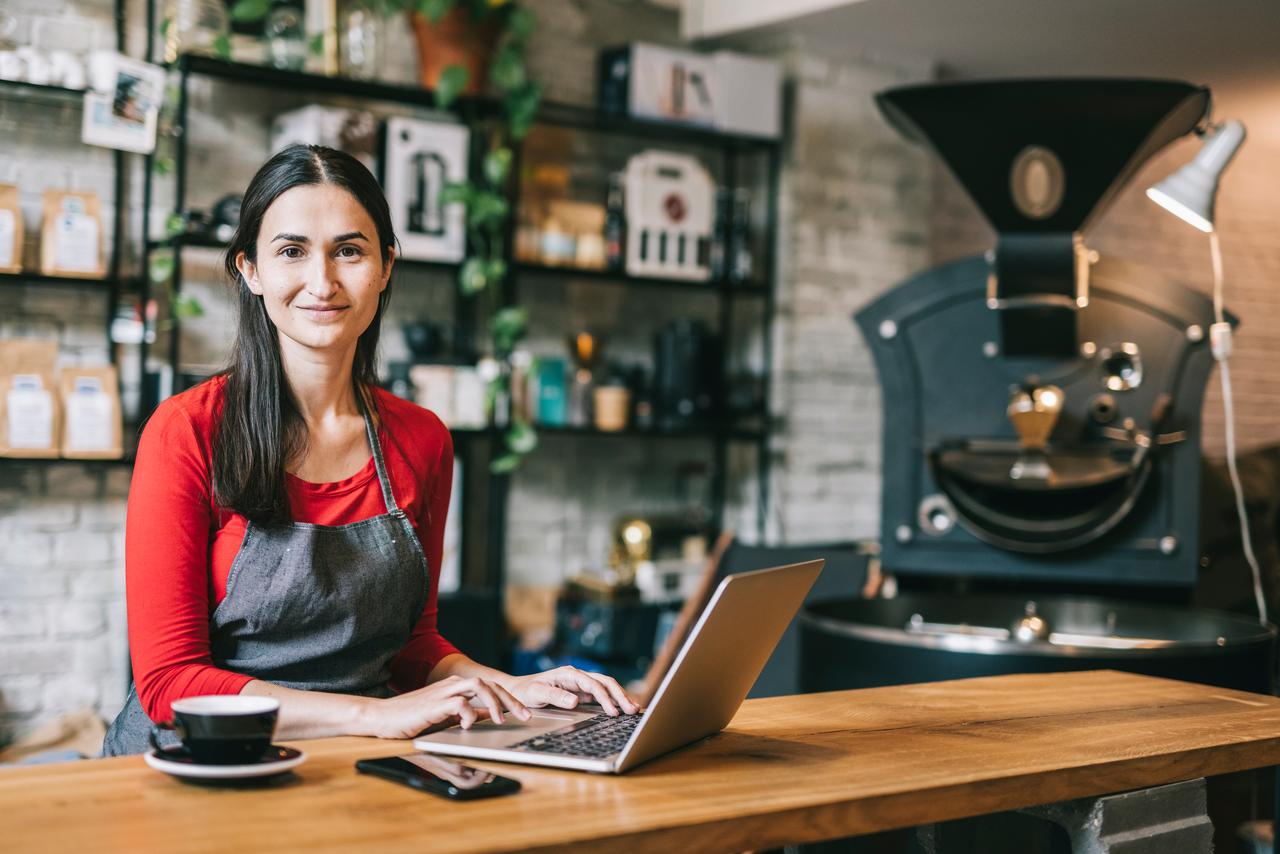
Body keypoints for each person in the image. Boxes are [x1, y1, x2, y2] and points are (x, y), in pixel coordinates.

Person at [102, 144, 639, 757]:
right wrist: (378, 716)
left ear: (385, 266)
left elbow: (412, 647)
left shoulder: (422, 439)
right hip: (198, 764)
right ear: (250, 271)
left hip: (354, 760)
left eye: (349, 250)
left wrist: (513, 688)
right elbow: (171, 685)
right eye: (291, 251)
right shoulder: (187, 431)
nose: (322, 281)